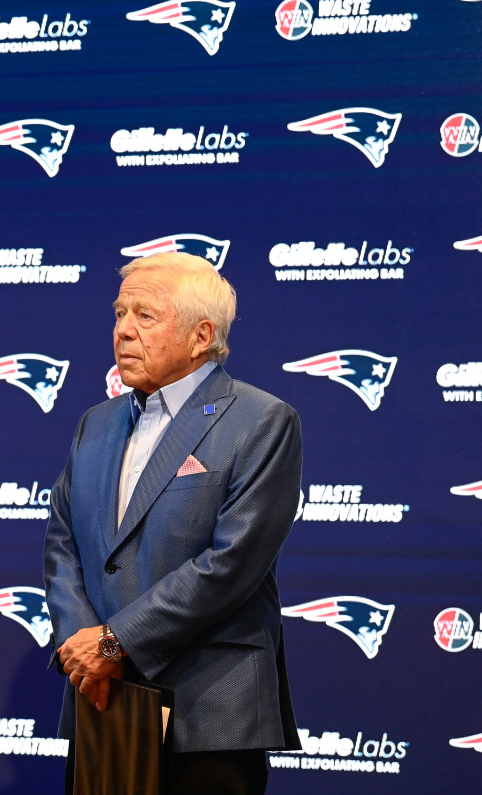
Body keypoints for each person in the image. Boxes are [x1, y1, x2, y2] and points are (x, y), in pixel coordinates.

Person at [43, 252, 301, 794]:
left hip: (207, 713)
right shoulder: (96, 422)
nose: (123, 332)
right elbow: (63, 545)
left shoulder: (261, 420)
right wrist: (83, 647)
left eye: (145, 317)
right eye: (119, 313)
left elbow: (232, 564)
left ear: (200, 335)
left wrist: (114, 642)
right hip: (101, 701)